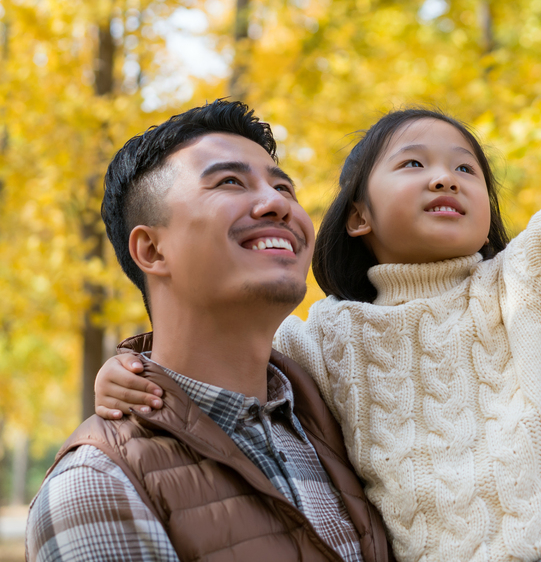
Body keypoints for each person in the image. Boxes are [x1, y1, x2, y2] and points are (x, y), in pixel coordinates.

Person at [96, 0, 541, 561]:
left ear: (487, 213)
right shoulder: (329, 338)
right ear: (357, 215)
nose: (445, 175)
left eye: (466, 168)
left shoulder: (534, 283)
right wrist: (130, 367)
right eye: (413, 164)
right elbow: (228, 368)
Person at [26, 102, 396, 561]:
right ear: (152, 249)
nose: (279, 203)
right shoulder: (98, 485)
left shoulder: (343, 407)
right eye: (229, 182)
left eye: (284, 188)